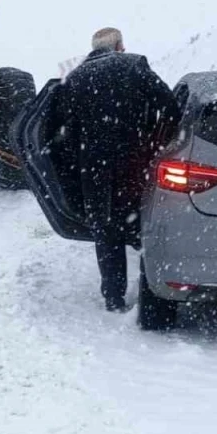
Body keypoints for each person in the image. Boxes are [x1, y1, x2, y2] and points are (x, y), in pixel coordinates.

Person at [59, 28, 180, 311]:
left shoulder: (75, 77)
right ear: (119, 46)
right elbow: (170, 105)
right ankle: (153, 291)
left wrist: (76, 168)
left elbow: (66, 132)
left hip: (95, 169)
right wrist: (161, 141)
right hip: (135, 162)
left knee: (106, 231)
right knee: (145, 225)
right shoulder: (134, 65)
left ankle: (113, 296)